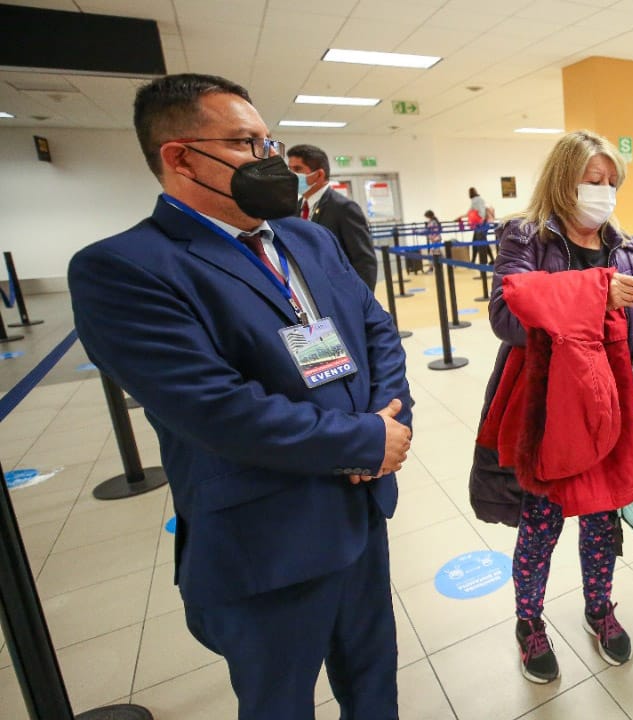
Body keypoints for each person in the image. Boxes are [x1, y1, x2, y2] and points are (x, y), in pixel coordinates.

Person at [66, 73, 413, 719]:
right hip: (268, 539)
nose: (269, 160)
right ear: (180, 157)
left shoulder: (306, 238)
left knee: (374, 679)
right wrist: (366, 439)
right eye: (246, 143)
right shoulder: (125, 268)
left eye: (268, 141)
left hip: (361, 509)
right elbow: (214, 408)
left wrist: (388, 422)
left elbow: (375, 328)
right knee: (278, 699)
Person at [467, 130, 633, 684]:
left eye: (612, 182)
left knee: (599, 516)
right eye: (593, 181)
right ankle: (529, 622)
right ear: (564, 180)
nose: (604, 193)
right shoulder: (525, 235)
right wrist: (593, 293)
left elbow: (630, 338)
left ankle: (598, 607)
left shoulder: (626, 248)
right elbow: (508, 318)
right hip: (546, 407)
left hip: (606, 404)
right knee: (540, 523)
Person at [287, 144, 379, 291]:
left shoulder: (344, 208)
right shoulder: (294, 208)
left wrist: (360, 304)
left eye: (297, 169)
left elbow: (364, 261)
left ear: (319, 174)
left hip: (338, 292)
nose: (291, 175)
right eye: (289, 169)